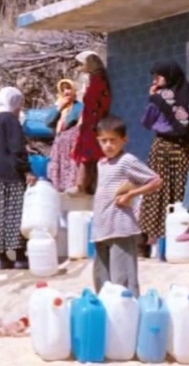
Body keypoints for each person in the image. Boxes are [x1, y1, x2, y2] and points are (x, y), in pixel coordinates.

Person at [92, 115, 162, 296]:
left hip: (121, 227)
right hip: (102, 229)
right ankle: (108, 316)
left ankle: (127, 315)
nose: (108, 145)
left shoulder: (127, 160)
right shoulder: (102, 163)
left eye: (113, 140)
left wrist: (131, 194)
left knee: (122, 280)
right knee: (102, 279)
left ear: (124, 140)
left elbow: (155, 181)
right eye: (103, 141)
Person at [0, 87, 35, 270]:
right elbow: (17, 147)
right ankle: (20, 256)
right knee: (15, 214)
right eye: (18, 105)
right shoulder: (10, 120)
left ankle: (2, 258)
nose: (19, 109)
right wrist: (27, 170)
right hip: (11, 173)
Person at [137, 61, 189, 245]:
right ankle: (172, 238)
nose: (155, 79)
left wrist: (151, 98)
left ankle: (149, 238)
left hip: (162, 148)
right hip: (183, 150)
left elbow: (146, 122)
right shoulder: (186, 95)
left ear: (169, 75)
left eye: (159, 75)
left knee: (156, 190)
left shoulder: (159, 98)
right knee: (177, 191)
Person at [69, 51, 112, 195]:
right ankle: (89, 186)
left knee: (87, 155)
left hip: (93, 123)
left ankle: (81, 186)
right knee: (90, 155)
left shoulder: (97, 80)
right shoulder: (96, 79)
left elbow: (96, 103)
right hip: (92, 122)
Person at [46, 79, 84, 192]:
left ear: (74, 90)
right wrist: (60, 108)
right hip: (59, 142)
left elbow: (80, 123)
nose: (66, 92)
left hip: (72, 142)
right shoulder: (58, 106)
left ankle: (70, 190)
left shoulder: (79, 107)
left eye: (68, 88)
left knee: (71, 166)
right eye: (63, 90)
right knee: (57, 167)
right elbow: (48, 122)